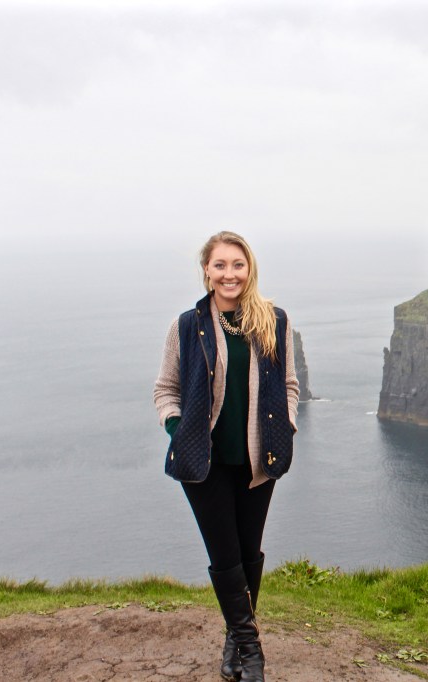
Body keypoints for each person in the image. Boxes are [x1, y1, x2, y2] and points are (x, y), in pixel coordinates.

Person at [154, 231, 299, 682]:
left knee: (248, 552)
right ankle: (251, 652)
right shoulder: (186, 325)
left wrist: (288, 423)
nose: (229, 273)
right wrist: (180, 431)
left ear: (249, 268)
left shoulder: (273, 320)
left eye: (237, 264)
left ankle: (235, 639)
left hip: (259, 458)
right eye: (220, 265)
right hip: (205, 462)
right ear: (207, 272)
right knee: (224, 554)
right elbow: (165, 390)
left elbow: (290, 384)